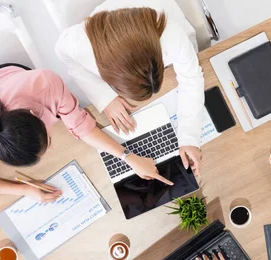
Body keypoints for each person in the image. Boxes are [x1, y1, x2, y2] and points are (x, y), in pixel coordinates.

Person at [0, 64, 172, 201]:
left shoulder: (47, 83)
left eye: (48, 139)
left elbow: (81, 127)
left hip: (13, 75)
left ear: (35, 114)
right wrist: (23, 190)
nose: (53, 146)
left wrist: (129, 157)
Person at [55, 0, 204, 177]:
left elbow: (191, 78)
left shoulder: (170, 32)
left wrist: (189, 137)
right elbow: (62, 53)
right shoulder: (78, 43)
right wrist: (105, 97)